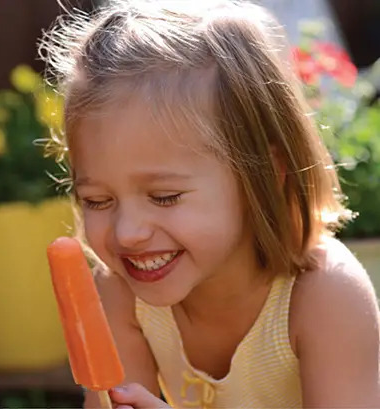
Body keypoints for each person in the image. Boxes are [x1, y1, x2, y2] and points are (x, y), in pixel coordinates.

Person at [40, 0, 380, 407]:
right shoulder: (120, 294)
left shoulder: (325, 297)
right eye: (97, 200)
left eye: (164, 197)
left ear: (267, 173)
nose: (128, 232)